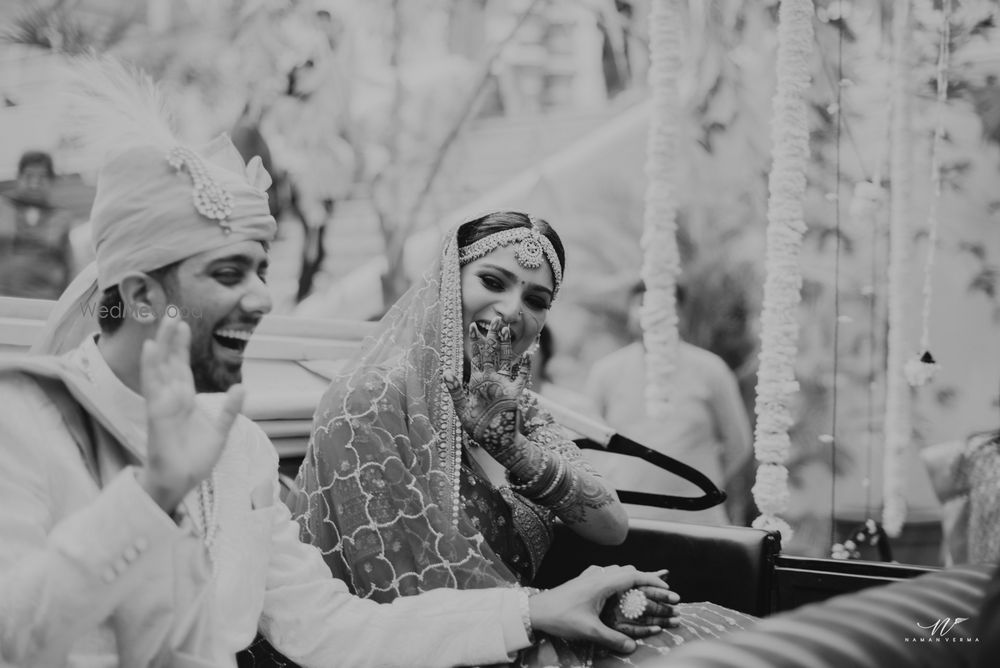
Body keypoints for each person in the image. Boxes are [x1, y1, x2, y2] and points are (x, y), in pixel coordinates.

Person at [0, 57, 677, 668]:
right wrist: (150, 498)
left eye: (262, 271)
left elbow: (329, 629)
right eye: (231, 272)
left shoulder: (237, 446)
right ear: (143, 296)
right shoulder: (24, 423)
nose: (263, 298)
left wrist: (533, 612)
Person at [292, 212, 758, 667]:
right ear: (447, 285)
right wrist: (561, 609)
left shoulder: (519, 411)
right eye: (493, 282)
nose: (513, 310)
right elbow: (407, 591)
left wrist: (513, 449)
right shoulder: (369, 404)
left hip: (527, 629)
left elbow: (611, 525)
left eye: (536, 300)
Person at [585, 280, 753, 525]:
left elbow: (738, 443)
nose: (651, 314)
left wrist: (699, 486)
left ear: (680, 314)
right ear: (630, 313)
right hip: (626, 516)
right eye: (642, 305)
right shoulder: (606, 371)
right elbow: (586, 438)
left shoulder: (711, 370)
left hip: (698, 518)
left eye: (662, 306)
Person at [0, 150, 77, 298]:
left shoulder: (61, 217)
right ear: (18, 177)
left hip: (45, 300)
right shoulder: (3, 207)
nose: (34, 184)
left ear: (51, 181)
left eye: (41, 178)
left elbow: (69, 266)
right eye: (29, 176)